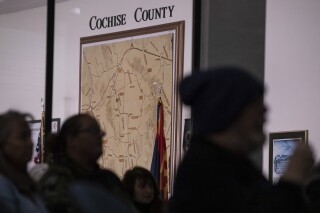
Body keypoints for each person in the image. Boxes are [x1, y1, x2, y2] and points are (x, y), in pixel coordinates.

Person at [169, 66, 314, 212]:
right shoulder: (202, 173)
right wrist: (292, 180)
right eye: (254, 103)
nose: (265, 110)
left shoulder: (232, 163)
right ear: (227, 110)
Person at [39, 113, 132, 212]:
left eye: (99, 130)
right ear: (72, 140)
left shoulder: (109, 178)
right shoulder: (57, 180)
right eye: (93, 130)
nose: (101, 134)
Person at [0, 110, 47, 212]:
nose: (30, 143)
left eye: (29, 136)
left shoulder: (26, 182)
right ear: (2, 143)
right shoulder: (2, 185)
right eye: (22, 137)